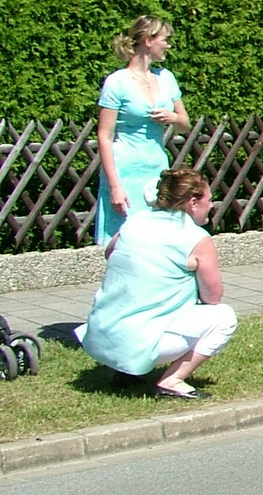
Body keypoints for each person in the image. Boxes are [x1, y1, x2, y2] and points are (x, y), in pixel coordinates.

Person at [79, 166, 236, 398]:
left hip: (98, 337)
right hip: (137, 342)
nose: (211, 206)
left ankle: (126, 371)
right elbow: (212, 298)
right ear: (193, 202)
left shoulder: (135, 222)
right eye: (209, 200)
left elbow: (109, 253)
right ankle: (172, 381)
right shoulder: (197, 238)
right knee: (224, 317)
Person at [95, 16, 190, 245]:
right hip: (126, 171)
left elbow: (185, 124)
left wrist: (173, 117)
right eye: (165, 39)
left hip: (157, 170)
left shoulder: (166, 78)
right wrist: (116, 186)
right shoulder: (117, 82)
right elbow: (104, 136)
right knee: (123, 243)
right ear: (148, 40)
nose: (168, 45)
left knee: (158, 240)